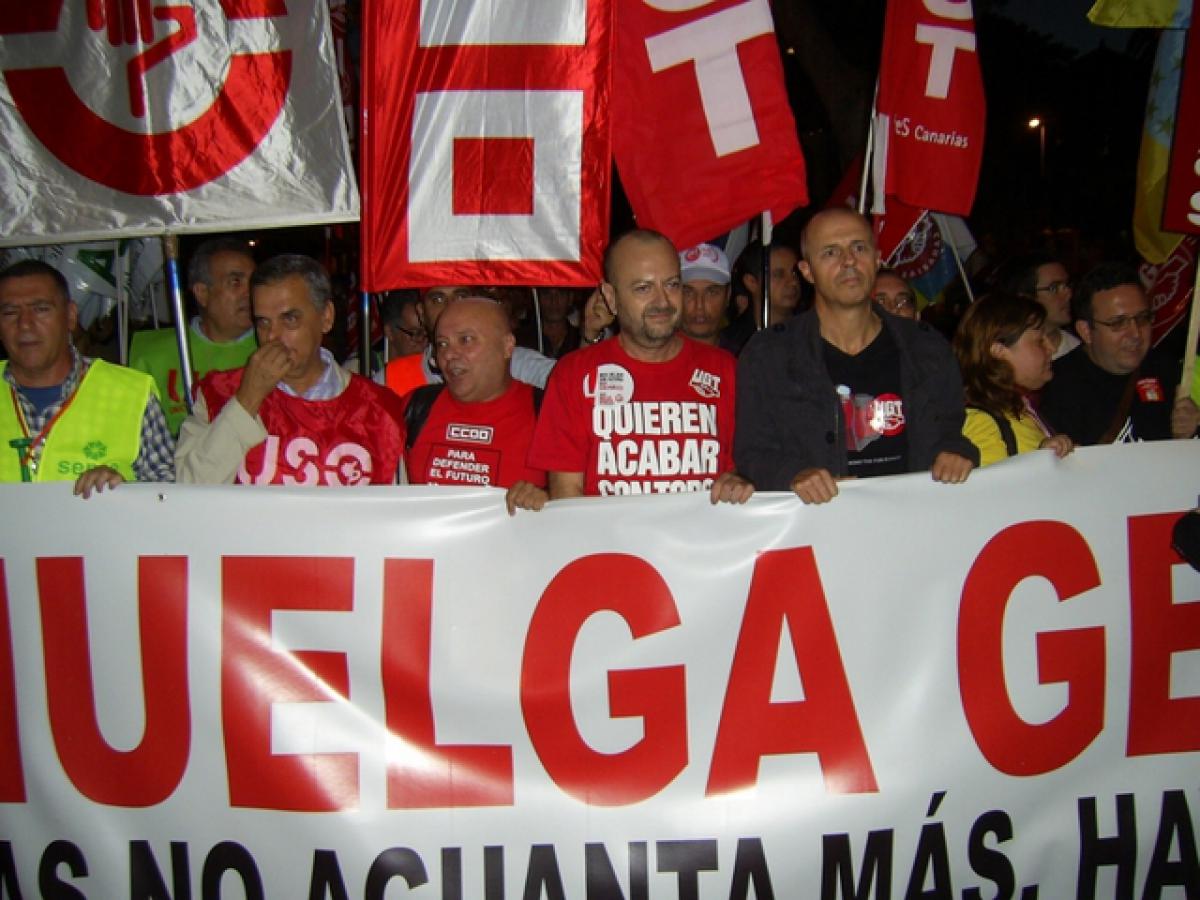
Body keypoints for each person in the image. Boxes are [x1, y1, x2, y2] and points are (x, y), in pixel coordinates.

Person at [736, 208, 977, 503]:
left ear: (877, 259)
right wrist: (793, 475)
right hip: (820, 523)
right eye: (830, 252)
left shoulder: (927, 348)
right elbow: (752, 452)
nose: (848, 261)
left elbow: (951, 429)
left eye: (859, 248)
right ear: (807, 271)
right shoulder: (768, 356)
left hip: (913, 518)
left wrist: (956, 453)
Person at [528, 229, 752, 503]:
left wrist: (741, 481)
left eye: (672, 284)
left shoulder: (727, 371)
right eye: (643, 288)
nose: (663, 301)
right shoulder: (573, 375)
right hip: (608, 533)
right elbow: (567, 495)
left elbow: (746, 469)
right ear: (610, 297)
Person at [176, 254, 406, 485]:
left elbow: (398, 502)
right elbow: (188, 490)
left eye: (290, 319)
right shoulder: (218, 394)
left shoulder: (379, 410)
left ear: (326, 317)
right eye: (263, 322)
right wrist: (246, 401)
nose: (272, 336)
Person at [0, 259, 174, 495]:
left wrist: (125, 490)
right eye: (10, 313)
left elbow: (167, 496)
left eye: (41, 309)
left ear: (71, 316)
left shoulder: (131, 394)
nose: (25, 325)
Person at [404, 297, 547, 514]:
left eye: (466, 340)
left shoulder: (547, 413)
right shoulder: (415, 408)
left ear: (507, 346)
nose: (449, 354)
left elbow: (581, 497)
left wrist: (550, 501)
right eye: (442, 344)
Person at [1040, 262, 1200, 444]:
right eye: (1118, 323)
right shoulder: (1058, 387)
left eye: (1142, 318)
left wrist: (1188, 435)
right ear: (1086, 331)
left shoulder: (1165, 368)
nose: (1136, 334)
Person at [128, 237, 257, 435]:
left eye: (254, 282)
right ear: (202, 293)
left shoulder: (272, 349)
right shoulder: (151, 354)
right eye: (235, 282)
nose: (250, 293)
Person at [954, 293, 1073, 466]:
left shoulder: (1020, 406)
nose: (1052, 348)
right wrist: (1041, 464)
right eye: (1039, 341)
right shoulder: (981, 420)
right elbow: (993, 482)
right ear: (999, 351)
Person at [1002, 254, 1079, 360]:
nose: (1069, 294)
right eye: (1054, 288)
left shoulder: (1079, 349)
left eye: (1068, 285)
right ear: (1026, 298)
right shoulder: (1007, 356)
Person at [678, 242, 732, 347]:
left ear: (728, 295)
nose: (699, 306)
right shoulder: (652, 354)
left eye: (711, 292)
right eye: (688, 292)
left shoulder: (745, 354)